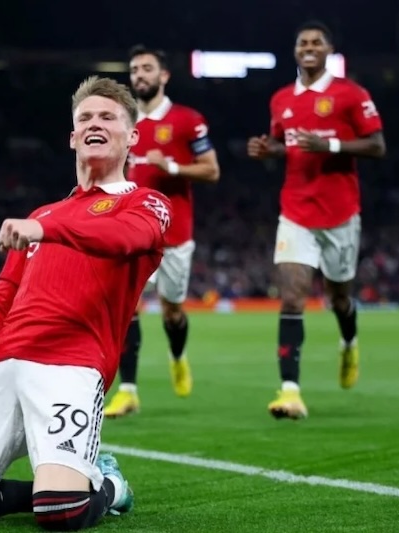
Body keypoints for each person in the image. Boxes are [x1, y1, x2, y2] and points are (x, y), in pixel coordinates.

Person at [0, 76, 173, 531]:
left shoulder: (146, 204)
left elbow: (124, 239)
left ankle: (109, 485)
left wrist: (48, 232)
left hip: (72, 364)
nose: (95, 123)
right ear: (72, 137)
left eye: (108, 117)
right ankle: (42, 490)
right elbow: (3, 299)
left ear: (132, 136)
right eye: (85, 117)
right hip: (1, 364)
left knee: (62, 513)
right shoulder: (41, 215)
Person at [247, 20, 386, 420]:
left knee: (339, 298)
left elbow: (377, 145)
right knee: (292, 296)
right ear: (295, 51)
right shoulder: (281, 99)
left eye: (316, 42)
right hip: (295, 211)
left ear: (329, 50)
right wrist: (268, 150)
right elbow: (284, 144)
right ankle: (290, 391)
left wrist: (331, 145)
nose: (308, 47)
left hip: (340, 213)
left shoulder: (350, 93)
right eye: (302, 42)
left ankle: (349, 343)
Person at [104, 44, 220, 418]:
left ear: (164, 75)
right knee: (127, 308)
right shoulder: (121, 121)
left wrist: (170, 167)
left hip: (175, 233)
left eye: (147, 68)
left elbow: (211, 170)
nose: (139, 74)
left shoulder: (188, 120)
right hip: (132, 232)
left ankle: (178, 355)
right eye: (135, 69)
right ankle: (128, 391)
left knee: (172, 311)